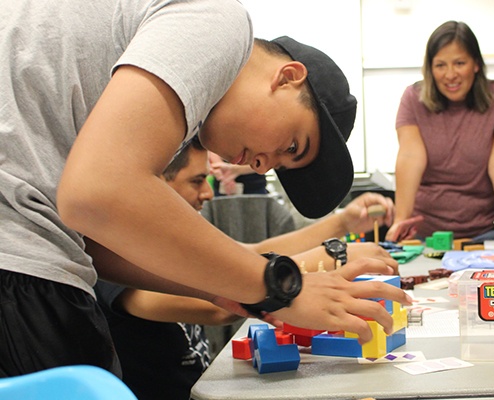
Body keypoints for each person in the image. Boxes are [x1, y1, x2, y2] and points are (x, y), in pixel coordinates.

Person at [1, 0, 410, 378]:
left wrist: (238, 290)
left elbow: (97, 242)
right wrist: (279, 285)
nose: (262, 164)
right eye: (291, 146)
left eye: (279, 165)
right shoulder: (219, 21)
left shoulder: (147, 85)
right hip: (19, 263)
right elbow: (94, 192)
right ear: (288, 77)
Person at [96, 136, 399, 400]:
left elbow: (250, 255)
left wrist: (342, 223)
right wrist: (331, 257)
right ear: (157, 185)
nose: (209, 193)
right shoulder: (119, 258)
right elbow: (224, 300)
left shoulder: (167, 248)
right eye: (196, 180)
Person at [385, 20, 494, 242]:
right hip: (427, 233)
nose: (450, 75)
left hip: (485, 233)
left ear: (476, 63)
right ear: (430, 68)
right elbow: (410, 157)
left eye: (459, 63)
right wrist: (401, 223)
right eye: (440, 65)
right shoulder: (413, 98)